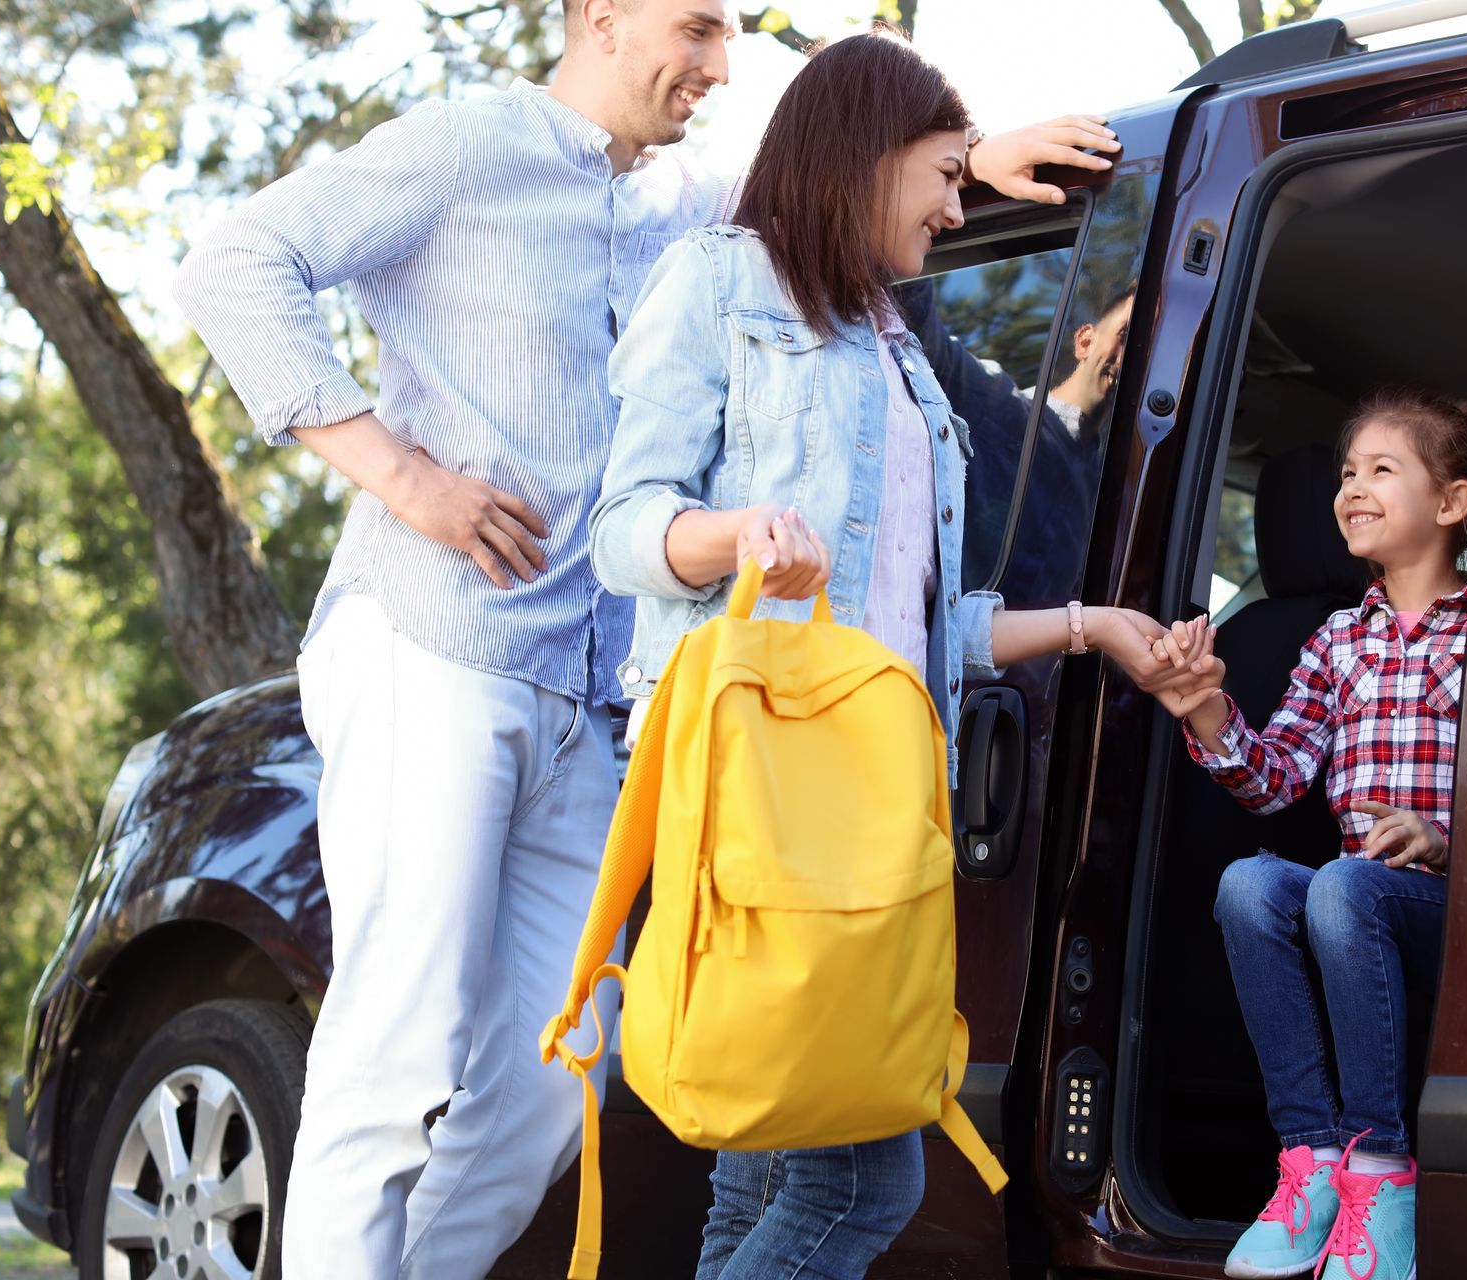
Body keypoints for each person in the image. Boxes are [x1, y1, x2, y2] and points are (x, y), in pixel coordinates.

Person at [171, 0, 1121, 1273]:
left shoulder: (692, 205)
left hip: (600, 707)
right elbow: (233, 264)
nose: (720, 67)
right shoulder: (461, 148)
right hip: (437, 643)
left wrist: (976, 155)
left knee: (549, 1084)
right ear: (600, 17)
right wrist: (407, 479)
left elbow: (835, 177)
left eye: (730, 38)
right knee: (400, 1053)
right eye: (698, 28)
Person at [589, 31, 1202, 1279]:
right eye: (942, 177)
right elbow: (624, 530)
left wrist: (1089, 626)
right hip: (760, 781)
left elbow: (922, 624)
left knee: (764, 1168)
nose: (953, 208)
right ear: (866, 159)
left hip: (874, 796)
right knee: (865, 1176)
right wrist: (739, 536)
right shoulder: (719, 282)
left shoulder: (904, 354)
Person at [1145, 388, 1467, 1280]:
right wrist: (1209, 708)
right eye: (1346, 474)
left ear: (1452, 502)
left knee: (1344, 885)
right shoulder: (1336, 640)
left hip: (1450, 904)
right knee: (1250, 883)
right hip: (1354, 901)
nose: (1353, 489)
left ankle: (1381, 1170)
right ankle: (1311, 1162)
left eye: (1382, 470)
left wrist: (1444, 837)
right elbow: (1273, 782)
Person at [898, 276, 1135, 586]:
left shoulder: (1112, 498)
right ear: (1085, 342)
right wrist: (909, 251)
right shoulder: (1001, 407)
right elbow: (921, 330)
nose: (1130, 356)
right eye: (1125, 334)